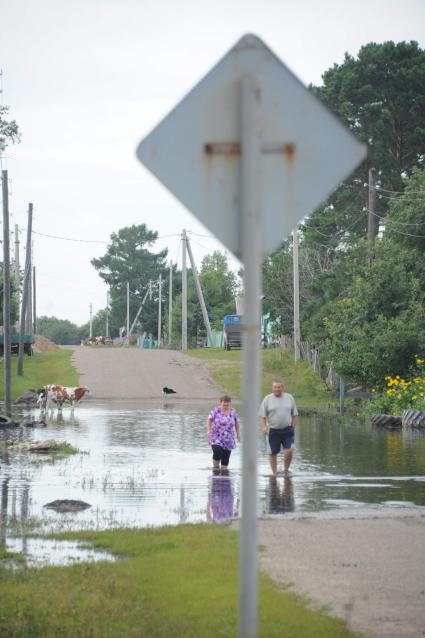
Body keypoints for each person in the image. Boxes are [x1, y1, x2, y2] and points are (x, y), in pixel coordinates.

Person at [258, 379, 298, 476]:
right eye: (275, 387)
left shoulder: (289, 398)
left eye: (279, 387)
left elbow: (295, 414)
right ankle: (274, 473)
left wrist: (293, 427)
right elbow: (261, 416)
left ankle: (286, 470)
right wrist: (264, 428)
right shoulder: (267, 399)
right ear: (272, 388)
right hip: (272, 430)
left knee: (289, 450)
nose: (277, 389)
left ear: (282, 388)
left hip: (287, 429)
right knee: (272, 453)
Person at [207, 395, 240, 472]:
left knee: (225, 459)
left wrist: (238, 434)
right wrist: (208, 430)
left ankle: (224, 476)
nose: (225, 406)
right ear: (220, 403)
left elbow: (237, 423)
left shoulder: (233, 412)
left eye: (227, 404)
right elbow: (209, 420)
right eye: (224, 404)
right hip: (216, 436)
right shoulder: (216, 410)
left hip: (228, 438)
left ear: (230, 403)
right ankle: (215, 468)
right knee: (218, 451)